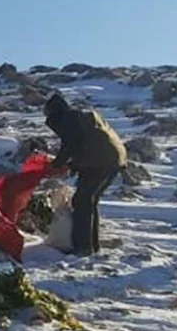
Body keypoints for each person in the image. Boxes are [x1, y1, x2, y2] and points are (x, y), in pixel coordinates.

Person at [43, 93, 127, 256]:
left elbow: (72, 145)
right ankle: (91, 245)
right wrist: (73, 165)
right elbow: (86, 144)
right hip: (112, 159)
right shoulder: (81, 117)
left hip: (102, 161)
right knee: (89, 200)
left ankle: (83, 247)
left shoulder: (69, 119)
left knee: (82, 201)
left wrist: (56, 164)